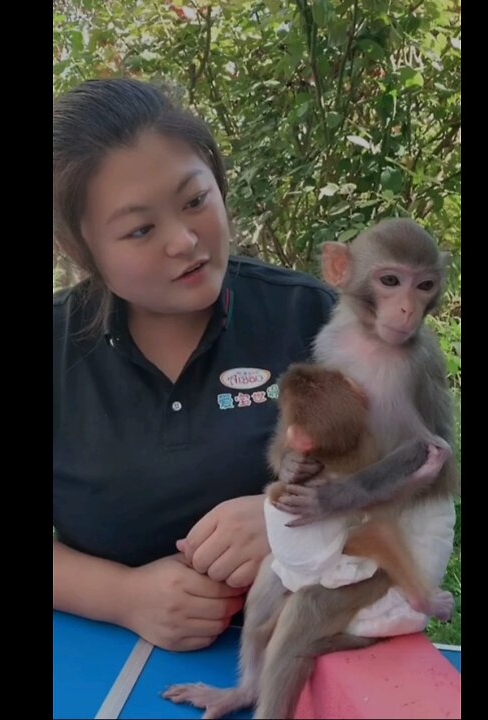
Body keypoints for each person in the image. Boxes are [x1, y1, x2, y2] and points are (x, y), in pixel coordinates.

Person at [52, 78, 335, 652]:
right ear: (84, 249)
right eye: (140, 229)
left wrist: (292, 519)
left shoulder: (310, 317)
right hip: (100, 661)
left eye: (194, 201)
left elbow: (410, 472)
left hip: (312, 649)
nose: (184, 240)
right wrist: (123, 596)